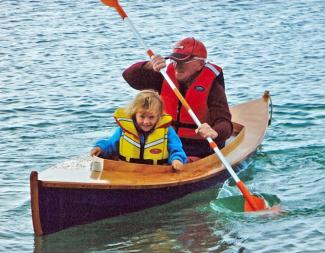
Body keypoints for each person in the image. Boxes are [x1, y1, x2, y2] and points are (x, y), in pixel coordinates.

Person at [122, 37, 233, 158]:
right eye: (174, 61)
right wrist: (149, 65)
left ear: (200, 64)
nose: (177, 66)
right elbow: (129, 76)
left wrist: (215, 132)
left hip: (200, 145)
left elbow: (225, 122)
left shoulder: (213, 86)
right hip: (167, 141)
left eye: (183, 61)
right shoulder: (165, 77)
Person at [90, 90, 187, 170]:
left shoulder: (168, 131)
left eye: (151, 117)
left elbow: (177, 149)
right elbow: (110, 145)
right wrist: (100, 148)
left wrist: (177, 160)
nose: (146, 122)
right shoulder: (123, 130)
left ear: (159, 116)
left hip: (156, 173)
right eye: (142, 117)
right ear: (134, 114)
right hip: (127, 172)